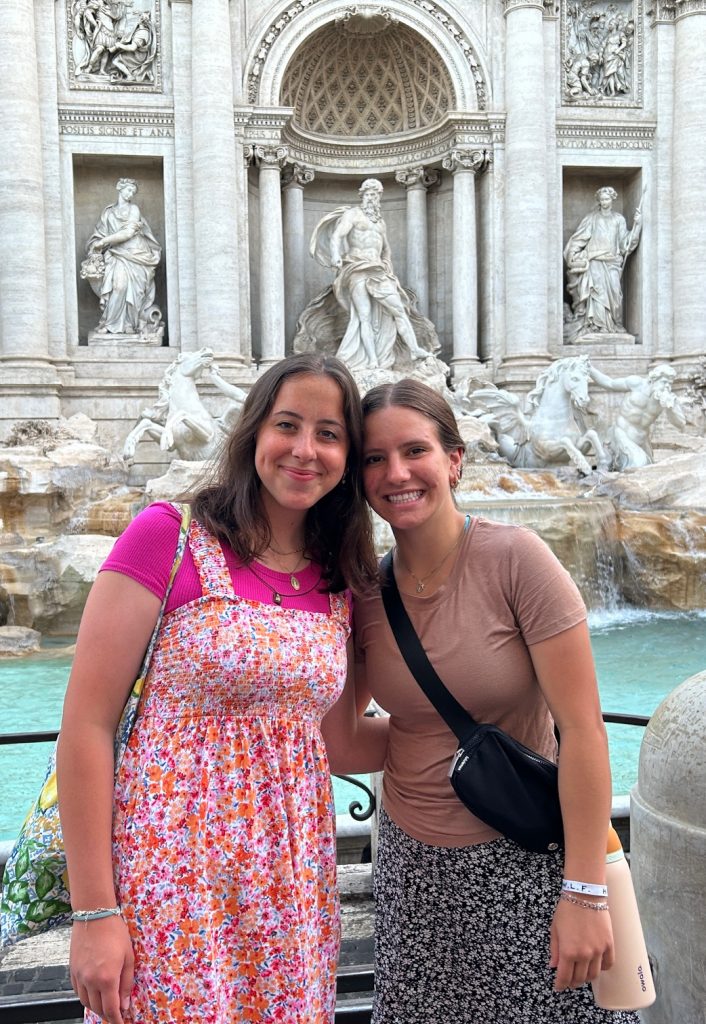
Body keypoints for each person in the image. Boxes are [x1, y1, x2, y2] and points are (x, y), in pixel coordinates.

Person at [56, 354, 385, 1024]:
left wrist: (468, 732)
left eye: (328, 434)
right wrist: (94, 913)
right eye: (286, 424)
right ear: (253, 433)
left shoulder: (339, 579)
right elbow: (86, 726)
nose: (304, 449)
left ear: (349, 457)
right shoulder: (168, 537)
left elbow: (340, 743)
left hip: (289, 883)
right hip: (169, 876)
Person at [349, 378, 640, 1023]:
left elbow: (585, 731)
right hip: (412, 865)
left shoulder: (517, 559)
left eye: (414, 450)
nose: (396, 472)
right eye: (374, 458)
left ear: (454, 459)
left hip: (525, 856)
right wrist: (417, 739)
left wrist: (586, 893)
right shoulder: (365, 591)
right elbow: (342, 738)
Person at [310, 179, 430, 370]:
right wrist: (335, 255)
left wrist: (387, 266)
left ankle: (414, 349)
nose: (371, 198)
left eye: (375, 194)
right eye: (368, 194)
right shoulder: (353, 214)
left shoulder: (380, 223)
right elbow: (337, 236)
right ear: (362, 195)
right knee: (363, 316)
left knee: (399, 309)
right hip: (356, 269)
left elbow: (386, 249)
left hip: (378, 271)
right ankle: (372, 360)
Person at [82, 178, 162, 338]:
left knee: (134, 292)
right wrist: (96, 243)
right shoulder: (108, 213)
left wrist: (103, 242)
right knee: (118, 287)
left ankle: (128, 324)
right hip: (117, 254)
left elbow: (128, 233)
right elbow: (99, 234)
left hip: (136, 254)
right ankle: (109, 323)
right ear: (120, 189)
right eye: (128, 190)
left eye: (133, 192)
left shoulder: (134, 209)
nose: (130, 194)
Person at [564, 186, 642, 342]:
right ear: (598, 201)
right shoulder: (591, 218)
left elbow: (625, 244)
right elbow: (579, 239)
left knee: (615, 295)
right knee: (597, 295)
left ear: (612, 199)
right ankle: (597, 327)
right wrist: (573, 255)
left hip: (612, 263)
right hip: (595, 263)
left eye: (607, 199)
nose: (604, 202)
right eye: (602, 199)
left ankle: (613, 325)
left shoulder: (618, 219)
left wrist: (637, 225)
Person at [589, 362, 688, 470]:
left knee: (647, 471)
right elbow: (609, 383)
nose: (667, 387)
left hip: (642, 442)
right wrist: (590, 369)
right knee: (638, 466)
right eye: (664, 382)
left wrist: (671, 408)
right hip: (621, 435)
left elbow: (681, 424)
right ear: (654, 379)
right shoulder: (636, 383)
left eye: (670, 384)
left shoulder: (667, 399)